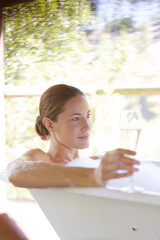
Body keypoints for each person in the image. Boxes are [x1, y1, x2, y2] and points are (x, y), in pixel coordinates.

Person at [8, 84, 140, 188]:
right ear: (50, 125)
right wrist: (93, 176)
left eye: (87, 116)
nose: (87, 126)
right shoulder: (40, 158)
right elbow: (15, 172)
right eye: (76, 118)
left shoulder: (94, 162)